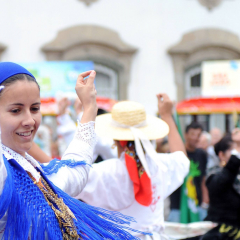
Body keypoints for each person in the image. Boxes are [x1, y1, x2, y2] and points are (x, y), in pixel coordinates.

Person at [0, 62, 146, 239]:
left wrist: (90, 108)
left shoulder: (28, 168)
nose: (30, 120)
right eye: (16, 110)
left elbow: (74, 174)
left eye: (35, 109)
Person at [77, 94, 190, 239]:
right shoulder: (161, 166)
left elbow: (67, 176)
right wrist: (167, 115)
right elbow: (181, 158)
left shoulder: (105, 172)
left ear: (115, 141)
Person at [201, 135, 240, 240]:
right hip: (219, 234)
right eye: (233, 150)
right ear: (221, 155)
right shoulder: (214, 174)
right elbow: (223, 181)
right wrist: (236, 155)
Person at [169, 122, 208, 224]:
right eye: (192, 134)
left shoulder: (202, 154)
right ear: (185, 135)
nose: (195, 138)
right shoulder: (176, 153)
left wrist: (205, 201)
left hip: (197, 204)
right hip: (178, 205)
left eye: (198, 135)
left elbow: (203, 179)